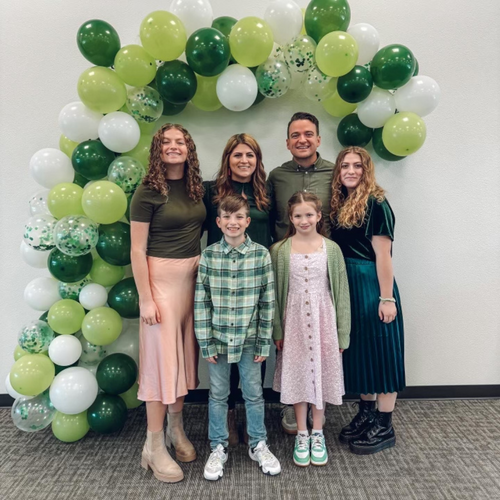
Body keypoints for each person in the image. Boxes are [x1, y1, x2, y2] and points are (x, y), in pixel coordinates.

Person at [130, 123, 206, 483]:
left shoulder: (195, 188)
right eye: (166, 142)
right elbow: (137, 250)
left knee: (183, 361)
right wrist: (146, 299)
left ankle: (176, 430)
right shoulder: (147, 191)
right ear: (157, 149)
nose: (173, 146)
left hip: (192, 282)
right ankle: (154, 445)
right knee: (161, 366)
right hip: (160, 283)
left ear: (189, 149)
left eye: (180, 141)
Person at [195, 195, 281, 481]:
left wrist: (264, 341)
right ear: (219, 222)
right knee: (218, 394)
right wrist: (205, 341)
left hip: (250, 338)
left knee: (254, 393)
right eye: (227, 217)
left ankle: (258, 444)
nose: (233, 222)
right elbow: (201, 302)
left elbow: (267, 301)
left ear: (248, 221)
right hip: (218, 339)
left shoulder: (260, 255)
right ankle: (218, 446)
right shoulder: (209, 256)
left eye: (239, 217)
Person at [330, 146, 406, 455]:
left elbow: (383, 255)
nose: (350, 170)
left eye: (357, 165)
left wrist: (386, 298)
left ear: (367, 170)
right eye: (345, 165)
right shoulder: (343, 202)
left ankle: (385, 425)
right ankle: (366, 415)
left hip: (372, 284)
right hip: (349, 285)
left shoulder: (377, 203)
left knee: (382, 354)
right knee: (362, 353)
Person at [267, 112, 336, 434]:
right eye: (295, 135)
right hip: (288, 267)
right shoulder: (277, 176)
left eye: (308, 134)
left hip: (323, 265)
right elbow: (269, 219)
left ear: (318, 139)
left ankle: (319, 400)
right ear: (287, 142)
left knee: (323, 338)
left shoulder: (334, 173)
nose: (302, 140)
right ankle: (291, 401)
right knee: (289, 339)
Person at [271, 192, 350, 467]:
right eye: (297, 215)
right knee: (299, 374)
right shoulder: (280, 250)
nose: (303, 220)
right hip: (292, 322)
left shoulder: (332, 249)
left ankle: (318, 432)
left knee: (320, 373)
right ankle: (301, 434)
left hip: (323, 320)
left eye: (309, 215)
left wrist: (343, 332)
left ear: (318, 216)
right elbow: (275, 294)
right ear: (290, 218)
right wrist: (277, 330)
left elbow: (341, 292)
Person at [203, 134, 271, 445]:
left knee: (253, 345)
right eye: (238, 155)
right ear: (227, 159)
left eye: (250, 155)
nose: (244, 160)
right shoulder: (211, 192)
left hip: (256, 271)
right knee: (224, 350)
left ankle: (253, 418)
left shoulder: (267, 191)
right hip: (222, 275)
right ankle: (228, 413)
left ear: (257, 160)